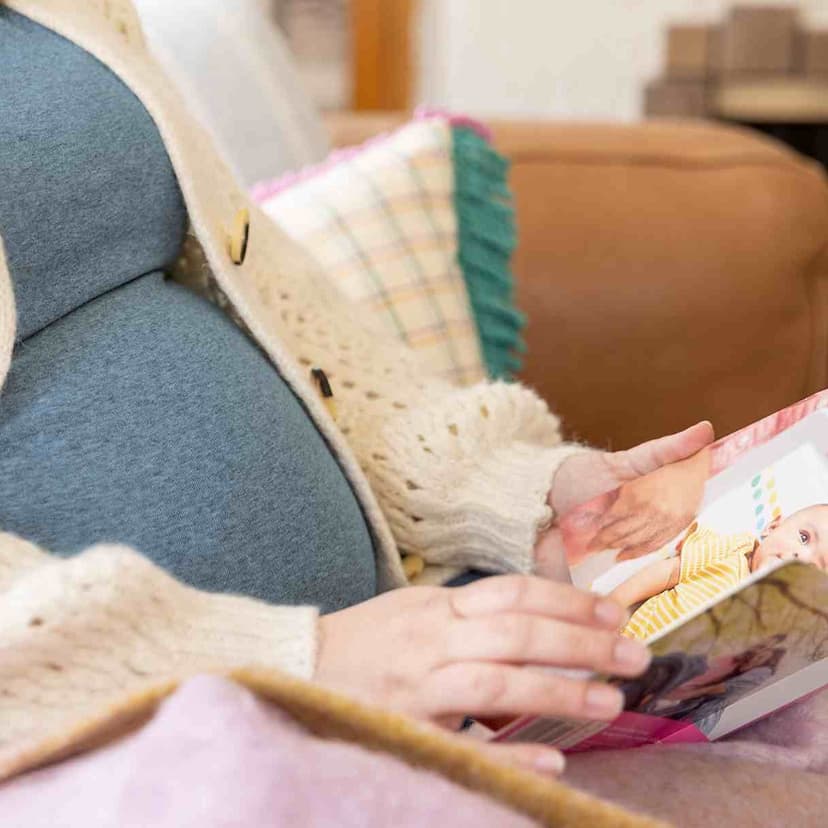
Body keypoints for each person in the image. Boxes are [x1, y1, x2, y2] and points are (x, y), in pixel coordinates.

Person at [0, 0, 714, 779]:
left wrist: (527, 496)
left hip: (385, 672)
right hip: (135, 748)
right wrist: (292, 662)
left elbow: (258, 287)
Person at [614, 505, 828, 640]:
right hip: (632, 639)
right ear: (772, 527)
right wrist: (615, 602)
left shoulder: (775, 621)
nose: (800, 557)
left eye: (813, 569)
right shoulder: (734, 549)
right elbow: (670, 572)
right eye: (804, 538)